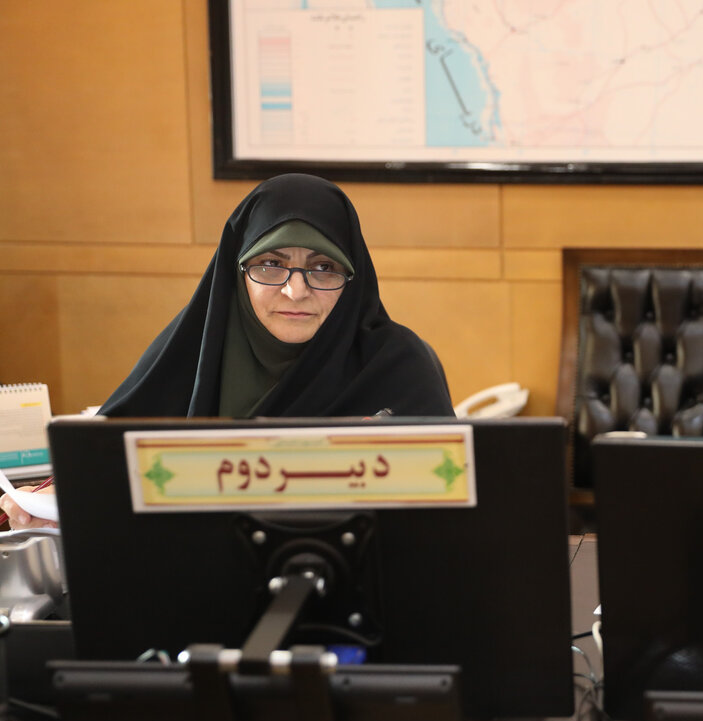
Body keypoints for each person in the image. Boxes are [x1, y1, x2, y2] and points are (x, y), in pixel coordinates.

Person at [3, 173, 453, 529]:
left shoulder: (397, 368)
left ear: (353, 279)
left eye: (323, 267)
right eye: (271, 264)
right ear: (237, 272)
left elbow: (448, 508)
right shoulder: (197, 349)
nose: (296, 291)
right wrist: (51, 501)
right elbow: (107, 459)